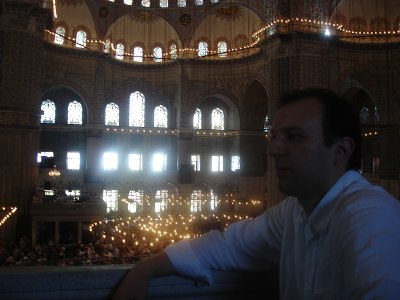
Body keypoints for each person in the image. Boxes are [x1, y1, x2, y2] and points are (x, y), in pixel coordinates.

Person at [113, 88, 400, 300]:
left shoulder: (369, 217)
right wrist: (143, 271)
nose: (273, 149)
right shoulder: (296, 212)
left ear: (341, 151)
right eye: (272, 136)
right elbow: (228, 246)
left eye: (294, 136)